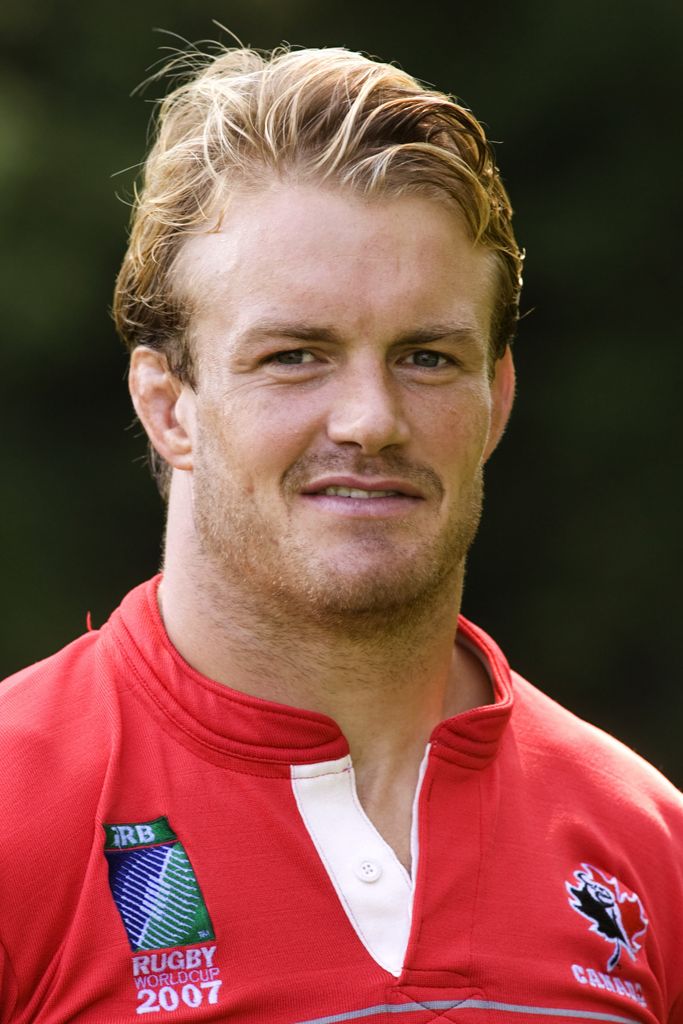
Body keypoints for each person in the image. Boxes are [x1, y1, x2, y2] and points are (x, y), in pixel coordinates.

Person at [0, 42, 681, 1024]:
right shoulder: (19, 816)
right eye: (293, 355)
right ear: (168, 405)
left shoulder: (643, 846)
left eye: (426, 356)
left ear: (494, 400)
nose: (370, 417)